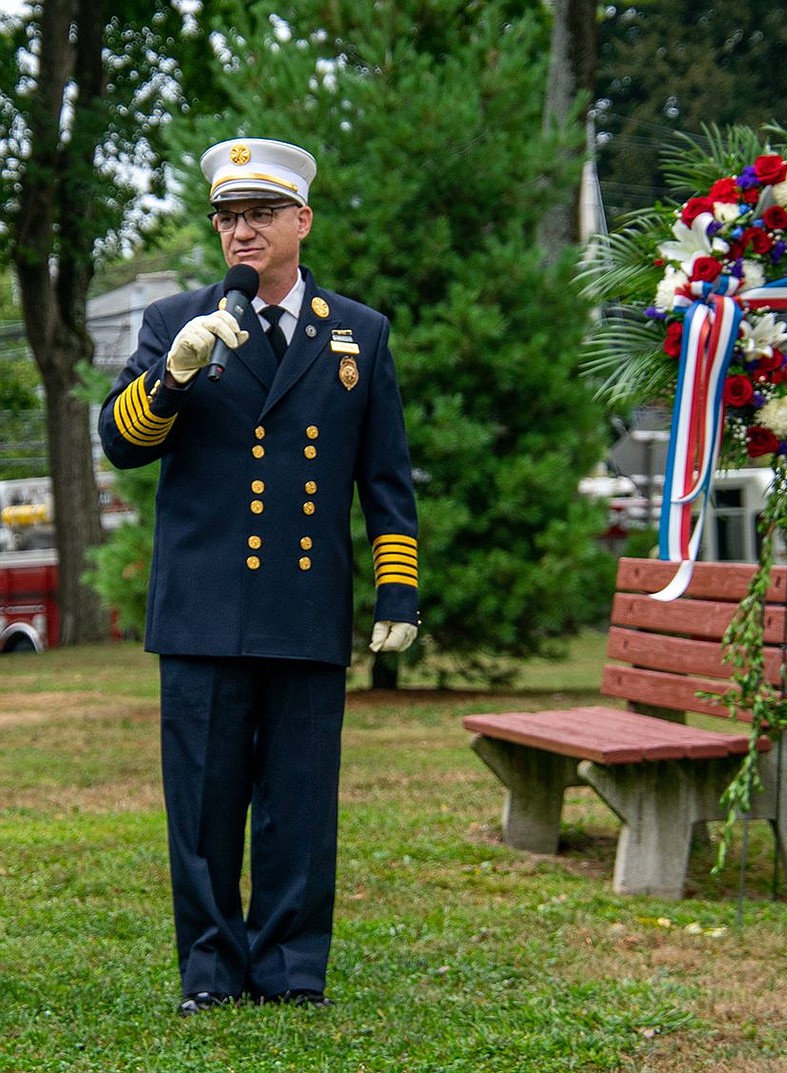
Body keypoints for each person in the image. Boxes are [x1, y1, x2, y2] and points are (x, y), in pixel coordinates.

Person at [98, 137, 419, 1015]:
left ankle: (289, 968)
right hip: (203, 605)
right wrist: (173, 374)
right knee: (202, 806)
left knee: (300, 802)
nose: (242, 231)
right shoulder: (177, 323)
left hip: (305, 602)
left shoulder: (360, 332)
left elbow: (384, 475)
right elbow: (121, 445)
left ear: (301, 222)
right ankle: (209, 968)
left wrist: (398, 585)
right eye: (229, 217)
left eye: (261, 214)